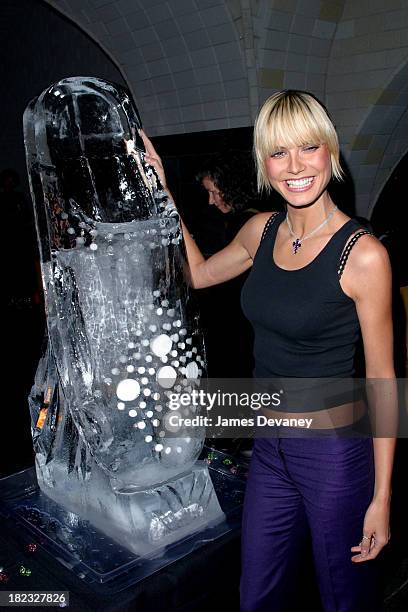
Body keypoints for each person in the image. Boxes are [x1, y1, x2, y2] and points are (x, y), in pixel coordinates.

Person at [139, 89, 395, 612]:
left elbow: (383, 381)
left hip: (333, 453)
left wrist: (382, 498)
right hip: (269, 444)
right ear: (264, 162)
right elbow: (199, 273)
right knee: (256, 596)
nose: (295, 166)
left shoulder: (363, 255)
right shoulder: (262, 229)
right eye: (279, 152)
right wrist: (163, 192)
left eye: (308, 148)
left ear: (331, 151)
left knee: (344, 599)